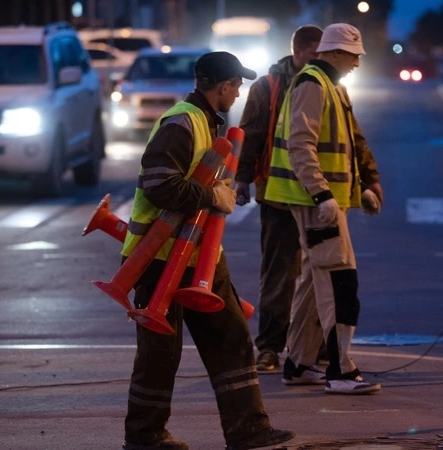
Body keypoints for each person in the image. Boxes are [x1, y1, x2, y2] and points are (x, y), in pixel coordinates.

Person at [120, 51, 294, 450]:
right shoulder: (182, 122)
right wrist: (211, 196)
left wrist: (214, 194)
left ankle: (248, 430)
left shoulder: (204, 121)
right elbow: (160, 185)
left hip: (197, 257)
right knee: (160, 354)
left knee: (231, 339)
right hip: (158, 257)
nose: (238, 94)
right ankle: (145, 437)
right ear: (223, 86)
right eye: (236, 86)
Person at [264, 23, 383, 395]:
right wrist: (321, 195)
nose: (357, 63)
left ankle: (299, 363)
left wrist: (358, 191)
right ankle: (340, 371)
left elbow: (343, 147)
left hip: (321, 201)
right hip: (316, 203)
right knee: (338, 281)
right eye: (353, 56)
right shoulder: (313, 84)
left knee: (315, 283)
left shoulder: (330, 86)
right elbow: (301, 145)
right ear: (336, 52)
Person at [235, 25, 325, 372]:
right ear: (297, 52)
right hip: (277, 194)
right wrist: (242, 180)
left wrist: (368, 181)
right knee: (279, 274)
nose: (319, 61)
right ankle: (270, 347)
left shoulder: (328, 85)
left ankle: (315, 346)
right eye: (314, 55)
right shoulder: (267, 86)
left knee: (321, 274)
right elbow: (251, 134)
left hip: (318, 196)